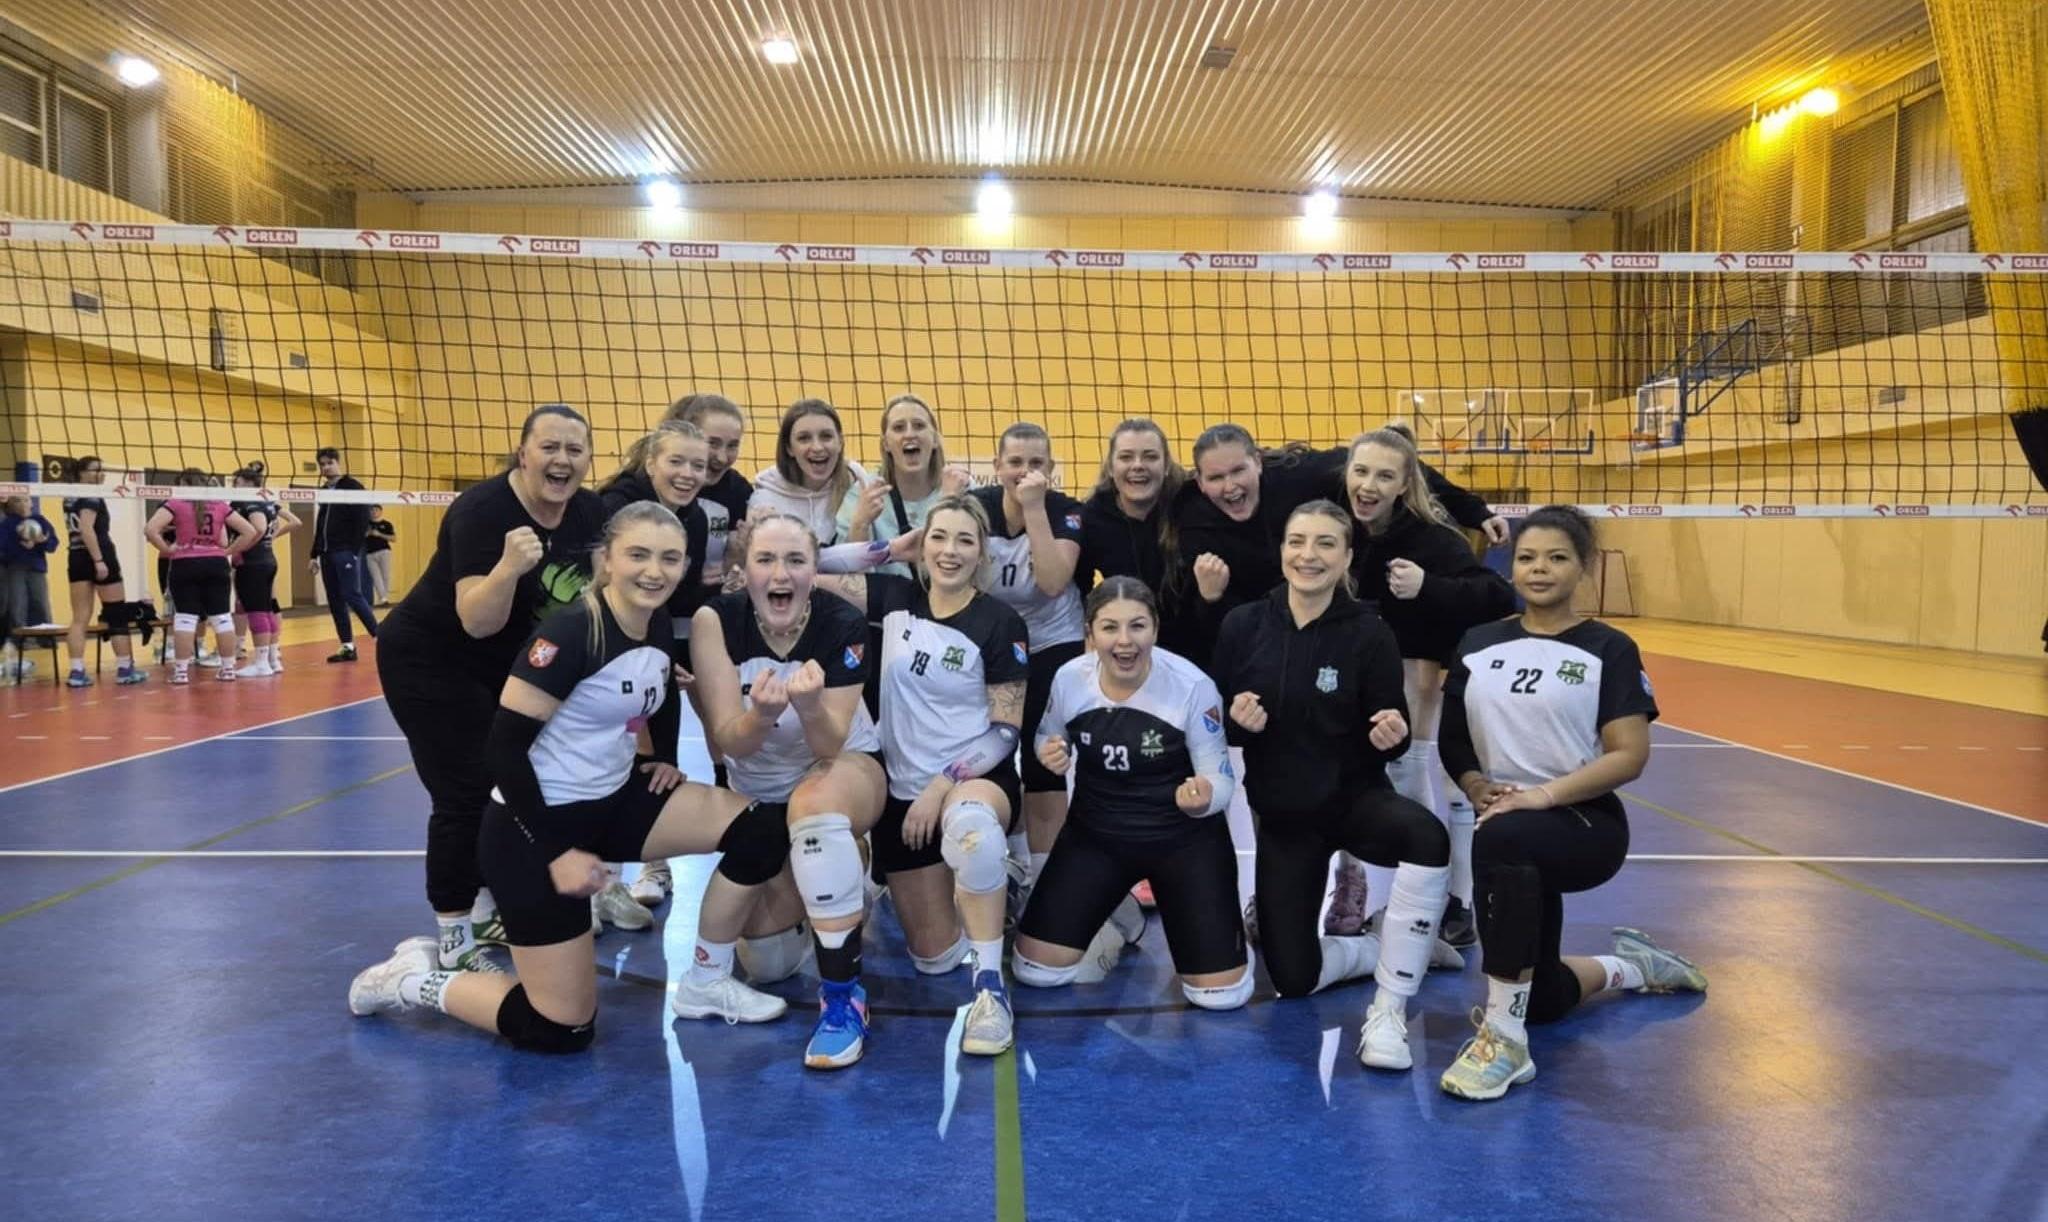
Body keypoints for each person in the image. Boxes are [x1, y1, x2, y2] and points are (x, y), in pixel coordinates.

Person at [348, 503, 794, 1054]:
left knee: (759, 829)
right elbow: (504, 749)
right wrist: (558, 851)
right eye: (638, 555)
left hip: (613, 802)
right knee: (563, 1028)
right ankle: (412, 980)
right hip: (533, 827)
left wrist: (660, 758)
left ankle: (706, 979)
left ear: (683, 567)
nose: (653, 571)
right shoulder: (572, 632)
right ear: (606, 560)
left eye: (669, 558)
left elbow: (655, 689)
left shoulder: (654, 620)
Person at [1436, 505, 1706, 1101]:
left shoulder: (1609, 647)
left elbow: (1629, 754)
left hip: (1583, 822)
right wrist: (1477, 786)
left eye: (1557, 558)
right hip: (1505, 819)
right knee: (1544, 999)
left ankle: (1503, 1040)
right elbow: (1454, 740)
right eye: (1527, 557)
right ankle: (1634, 967)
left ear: (1583, 568)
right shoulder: (1478, 644)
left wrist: (1541, 796)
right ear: (1511, 567)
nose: (1540, 569)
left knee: (1501, 836)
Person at [1211, 501, 1457, 1069]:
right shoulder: (1244, 624)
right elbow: (1217, 718)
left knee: (1426, 836)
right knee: (1294, 979)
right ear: (1282, 550)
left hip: (1354, 803)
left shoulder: (1370, 631)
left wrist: (1392, 733)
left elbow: (1391, 729)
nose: (1309, 555)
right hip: (1285, 819)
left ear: (1347, 557)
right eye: (1298, 541)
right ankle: (1385, 945)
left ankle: (1392, 999)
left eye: (1326, 543)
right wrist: (1237, 722)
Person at [375, 405, 607, 971]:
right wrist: (507, 568)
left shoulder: (590, 513)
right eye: (549, 447)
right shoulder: (482, 510)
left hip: (504, 668)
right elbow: (477, 621)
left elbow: (602, 590)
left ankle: (487, 909)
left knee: (518, 783)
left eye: (574, 449)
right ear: (523, 454)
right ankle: (455, 939)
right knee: (465, 794)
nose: (562, 459)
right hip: (430, 660)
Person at [816, 495, 1030, 1056]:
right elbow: (805, 565)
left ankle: (990, 988)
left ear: (982, 552)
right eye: (939, 537)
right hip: (901, 797)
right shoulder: (894, 598)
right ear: (923, 544)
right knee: (933, 959)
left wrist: (942, 785)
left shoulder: (1000, 622)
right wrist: (889, 549)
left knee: (973, 830)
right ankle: (984, 893)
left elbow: (1005, 733)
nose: (950, 551)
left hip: (972, 779)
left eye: (965, 540)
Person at [689, 513, 892, 1066]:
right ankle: (837, 881)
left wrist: (808, 706)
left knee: (815, 814)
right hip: (761, 790)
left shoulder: (842, 622)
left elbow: (828, 744)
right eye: (766, 560)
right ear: (744, 570)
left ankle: (843, 1000)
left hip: (841, 769)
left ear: (813, 570)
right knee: (770, 965)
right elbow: (729, 740)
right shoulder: (715, 621)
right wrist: (760, 716)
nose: (781, 574)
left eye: (796, 560)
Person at [1013, 577, 1251, 1010]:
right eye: (1110, 627)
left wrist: (1203, 798)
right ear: (1090, 633)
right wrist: (1050, 752)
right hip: (1096, 836)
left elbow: (1220, 780)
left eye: (1137, 626)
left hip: (1182, 841)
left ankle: (1348, 954)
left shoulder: (1193, 686)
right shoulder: (1069, 678)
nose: (1125, 641)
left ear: (1155, 629)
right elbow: (1048, 736)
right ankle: (1115, 908)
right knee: (1036, 972)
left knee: (1220, 996)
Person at [1344, 427, 1516, 947]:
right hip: (1357, 678)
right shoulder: (1337, 525)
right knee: (1343, 778)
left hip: (1430, 676)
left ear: (1404, 483)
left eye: (1384, 476)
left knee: (1443, 782)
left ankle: (1456, 898)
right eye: (1360, 471)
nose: (1369, 485)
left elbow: (1496, 595)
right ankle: (1352, 886)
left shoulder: (1431, 537)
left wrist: (1427, 586)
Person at [595, 419, 714, 915]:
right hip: (604, 638)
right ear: (650, 462)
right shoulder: (613, 506)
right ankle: (597, 883)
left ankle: (652, 866)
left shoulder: (696, 519)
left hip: (654, 633)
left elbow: (677, 597)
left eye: (698, 465)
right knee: (605, 752)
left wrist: (671, 660)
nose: (688, 473)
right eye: (676, 461)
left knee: (659, 752)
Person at [968, 423, 1091, 906]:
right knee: (989, 754)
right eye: (1015, 462)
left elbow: (1054, 582)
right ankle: (1009, 861)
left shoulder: (1064, 511)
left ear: (1050, 469)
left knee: (1044, 762)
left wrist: (1035, 509)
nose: (1025, 472)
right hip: (991, 645)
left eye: (1036, 463)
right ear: (997, 466)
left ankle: (1047, 883)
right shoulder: (975, 509)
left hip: (1051, 642)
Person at [1075, 418, 1191, 656]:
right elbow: (1079, 588)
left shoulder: (1189, 504)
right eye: (1126, 457)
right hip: (1128, 643)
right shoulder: (1093, 517)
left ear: (1166, 465)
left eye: (1150, 456)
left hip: (1191, 637)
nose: (1138, 465)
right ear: (1111, 467)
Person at [837, 393, 971, 578]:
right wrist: (860, 523)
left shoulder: (960, 487)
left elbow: (976, 560)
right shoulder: (865, 491)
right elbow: (846, 572)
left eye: (919, 425)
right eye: (899, 428)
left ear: (934, 439)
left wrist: (950, 506)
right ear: (886, 444)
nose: (909, 434)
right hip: (884, 594)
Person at [144, 472, 255, 685]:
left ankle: (181, 673)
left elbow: (150, 529)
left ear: (186, 484)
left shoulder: (175, 503)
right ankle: (228, 669)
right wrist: (228, 551)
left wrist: (167, 549)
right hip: (216, 564)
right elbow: (249, 531)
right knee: (222, 618)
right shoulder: (219, 505)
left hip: (185, 563)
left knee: (185, 618)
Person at [60, 456, 148, 687]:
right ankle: (125, 669)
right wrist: (99, 560)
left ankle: (77, 671)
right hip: (98, 555)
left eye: (102, 469)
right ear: (81, 473)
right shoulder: (91, 495)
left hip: (76, 556)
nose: (100, 473)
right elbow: (86, 528)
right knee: (116, 613)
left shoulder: (68, 495)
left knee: (80, 618)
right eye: (94, 469)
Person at [750, 399, 868, 547]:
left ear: (840, 442)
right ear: (789, 448)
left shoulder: (858, 483)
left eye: (826, 436)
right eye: (804, 438)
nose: (817, 447)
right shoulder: (765, 499)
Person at [677, 393, 753, 598]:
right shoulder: (655, 484)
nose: (722, 457)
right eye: (713, 443)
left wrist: (737, 563)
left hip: (712, 602)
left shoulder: (737, 491)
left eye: (732, 445)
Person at [228, 465, 300, 678]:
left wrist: (235, 550)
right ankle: (272, 659)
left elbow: (258, 528)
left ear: (248, 483)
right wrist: (269, 539)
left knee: (256, 610)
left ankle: (261, 663)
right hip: (267, 559)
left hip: (252, 563)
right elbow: (294, 522)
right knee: (267, 609)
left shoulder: (249, 502)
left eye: (237, 482)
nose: (234, 486)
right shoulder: (268, 501)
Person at [310, 446, 378, 663]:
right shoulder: (323, 490)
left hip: (345, 551)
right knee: (334, 599)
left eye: (329, 463)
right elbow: (321, 523)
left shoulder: (353, 487)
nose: (326, 467)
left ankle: (381, 638)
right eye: (322, 464)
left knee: (352, 595)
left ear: (338, 463)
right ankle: (347, 646)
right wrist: (313, 554)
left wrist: (354, 551)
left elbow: (362, 521)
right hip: (326, 553)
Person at [1, 495, 59, 679]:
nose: (25, 504)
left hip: (36, 567)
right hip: (15, 567)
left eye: (27, 500)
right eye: (19, 501)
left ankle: (46, 638)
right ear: (11, 505)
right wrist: (20, 545)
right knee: (17, 604)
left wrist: (40, 541)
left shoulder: (40, 520)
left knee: (40, 602)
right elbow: (3, 547)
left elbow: (53, 543)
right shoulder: (8, 524)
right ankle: (20, 640)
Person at [364, 505, 396, 605]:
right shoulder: (366, 524)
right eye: (372, 510)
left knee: (385, 575)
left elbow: (393, 538)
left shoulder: (386, 524)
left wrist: (380, 534)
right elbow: (359, 536)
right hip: (369, 554)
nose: (374, 512)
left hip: (384, 552)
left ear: (381, 512)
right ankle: (383, 598)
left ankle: (384, 598)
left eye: (376, 510)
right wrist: (368, 533)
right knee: (376, 576)